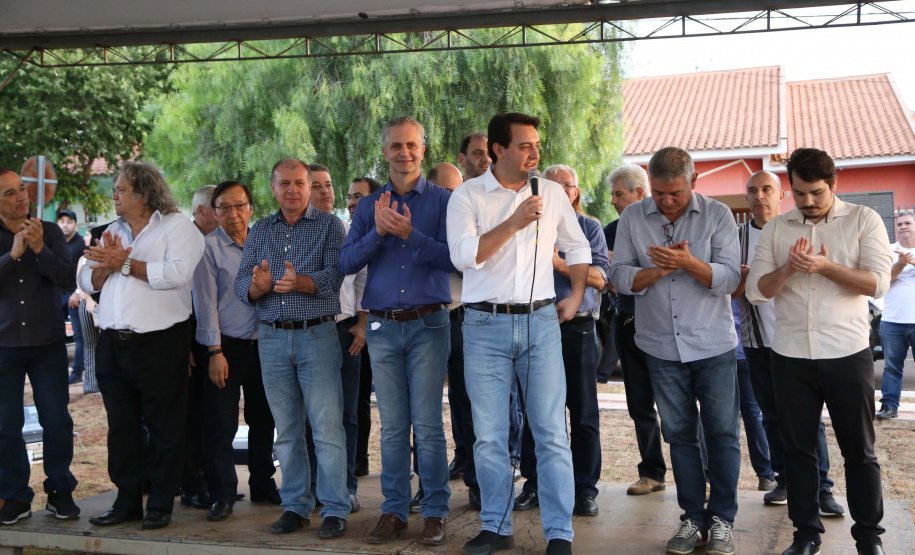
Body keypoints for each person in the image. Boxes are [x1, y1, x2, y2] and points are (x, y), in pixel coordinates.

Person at [447, 112, 591, 555]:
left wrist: (578, 292)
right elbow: (465, 257)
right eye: (525, 145)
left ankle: (559, 534)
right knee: (489, 434)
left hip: (542, 321)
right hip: (484, 324)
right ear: (498, 150)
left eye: (536, 145)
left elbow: (578, 245)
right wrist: (514, 222)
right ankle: (496, 526)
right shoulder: (468, 196)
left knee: (550, 431)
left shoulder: (550, 192)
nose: (535, 153)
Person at [746, 148, 892, 555]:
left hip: (847, 353)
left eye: (816, 193)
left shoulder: (864, 220)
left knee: (859, 451)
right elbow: (757, 291)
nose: (807, 202)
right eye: (799, 194)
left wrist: (826, 267)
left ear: (834, 184)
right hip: (791, 356)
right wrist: (790, 268)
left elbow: (877, 283)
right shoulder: (777, 229)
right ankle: (806, 535)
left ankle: (868, 539)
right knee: (797, 450)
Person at [609, 147, 741, 555]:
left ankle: (721, 518)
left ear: (694, 183)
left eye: (676, 194)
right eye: (660, 193)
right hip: (660, 347)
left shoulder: (718, 215)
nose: (666, 202)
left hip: (713, 344)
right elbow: (619, 276)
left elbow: (730, 278)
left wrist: (688, 263)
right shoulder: (633, 217)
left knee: (721, 433)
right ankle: (691, 518)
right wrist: (657, 271)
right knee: (680, 435)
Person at [340, 116, 454, 546]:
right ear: (384, 150)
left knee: (426, 425)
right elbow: (346, 262)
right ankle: (392, 511)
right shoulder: (369, 206)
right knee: (391, 427)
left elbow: (455, 260)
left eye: (412, 145)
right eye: (396, 146)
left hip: (428, 323)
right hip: (383, 327)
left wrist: (410, 234)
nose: (404, 153)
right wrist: (377, 234)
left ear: (423, 149)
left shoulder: (444, 201)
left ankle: (435, 512)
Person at [79, 161, 205, 530]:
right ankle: (127, 501)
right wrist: (105, 266)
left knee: (165, 427)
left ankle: (161, 505)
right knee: (121, 428)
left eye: (120, 190)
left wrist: (125, 262)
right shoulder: (108, 231)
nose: (113, 195)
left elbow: (176, 274)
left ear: (144, 194)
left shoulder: (179, 228)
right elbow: (85, 280)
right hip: (113, 345)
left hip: (161, 344)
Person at [234, 158, 351, 538]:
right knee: (286, 430)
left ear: (311, 186)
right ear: (273, 188)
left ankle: (334, 508)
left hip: (316, 335)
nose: (293, 190)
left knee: (326, 428)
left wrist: (296, 281)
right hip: (270, 338)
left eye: (300, 183)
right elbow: (241, 286)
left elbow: (335, 276)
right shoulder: (260, 230)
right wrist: (258, 288)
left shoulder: (330, 225)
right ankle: (296, 506)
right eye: (284, 183)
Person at [732, 171, 841, 513]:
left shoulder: (800, 231)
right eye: (752, 190)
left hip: (799, 340)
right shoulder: (735, 238)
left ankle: (821, 488)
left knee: (808, 418)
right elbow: (728, 292)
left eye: (767, 189)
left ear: (782, 196)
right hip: (757, 342)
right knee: (770, 416)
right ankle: (786, 479)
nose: (759, 196)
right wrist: (743, 279)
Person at [515, 163, 609, 518]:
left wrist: (558, 263)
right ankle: (535, 483)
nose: (560, 192)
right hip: (532, 327)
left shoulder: (589, 227)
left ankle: (584, 489)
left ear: (576, 191)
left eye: (567, 186)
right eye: (550, 186)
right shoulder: (526, 225)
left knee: (583, 411)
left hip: (577, 328)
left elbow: (601, 278)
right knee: (534, 409)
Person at [193, 180, 279, 522]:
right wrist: (214, 352)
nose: (233, 214)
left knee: (264, 420)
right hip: (225, 347)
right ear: (214, 212)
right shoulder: (208, 248)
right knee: (221, 424)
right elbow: (205, 304)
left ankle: (263, 484)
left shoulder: (266, 241)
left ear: (251, 208)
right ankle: (223, 494)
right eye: (224, 208)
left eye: (239, 206)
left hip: (267, 344)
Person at [0, 167, 80, 525]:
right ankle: (15, 496)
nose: (22, 197)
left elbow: (66, 278)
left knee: (57, 419)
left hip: (47, 342)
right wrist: (13, 255)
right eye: (10, 193)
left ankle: (60, 490)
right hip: (3, 345)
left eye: (22, 189)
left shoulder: (48, 231)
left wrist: (38, 249)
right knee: (5, 425)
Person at [304, 163, 368, 512]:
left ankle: (345, 486)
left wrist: (361, 323)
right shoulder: (293, 235)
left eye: (329, 185)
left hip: (345, 332)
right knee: (312, 415)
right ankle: (314, 486)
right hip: (308, 332)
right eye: (317, 186)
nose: (326, 191)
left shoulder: (348, 230)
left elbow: (362, 282)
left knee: (346, 414)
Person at [604, 164, 667, 496]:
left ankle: (701, 474)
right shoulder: (610, 230)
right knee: (639, 405)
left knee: (676, 405)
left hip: (663, 327)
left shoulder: (662, 226)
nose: (613, 201)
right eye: (613, 194)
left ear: (639, 194)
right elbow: (610, 277)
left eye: (619, 194)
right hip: (627, 325)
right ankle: (652, 471)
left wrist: (629, 273)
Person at [427, 159, 482, 511]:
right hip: (428, 320)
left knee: (469, 403)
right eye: (447, 189)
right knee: (426, 408)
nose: (453, 195)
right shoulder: (421, 220)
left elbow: (474, 262)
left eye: (457, 188)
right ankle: (430, 487)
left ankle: (477, 484)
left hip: (464, 318)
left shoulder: (471, 220)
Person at [181, 184, 218, 510]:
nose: (225, 216)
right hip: (187, 341)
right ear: (202, 211)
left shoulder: (215, 243)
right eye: (218, 208)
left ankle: (213, 483)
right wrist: (184, 346)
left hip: (212, 339)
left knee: (212, 416)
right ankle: (193, 485)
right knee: (191, 418)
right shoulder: (186, 241)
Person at [347, 176, 382, 478]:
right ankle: (356, 459)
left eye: (358, 196)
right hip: (360, 325)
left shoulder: (388, 232)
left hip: (385, 325)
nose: (351, 202)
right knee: (354, 396)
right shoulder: (349, 234)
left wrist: (364, 321)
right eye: (349, 196)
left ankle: (360, 457)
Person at [876, 210, 915, 420]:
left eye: (908, 222)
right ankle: (889, 407)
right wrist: (900, 264)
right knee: (891, 367)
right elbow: (881, 282)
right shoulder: (888, 251)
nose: (903, 226)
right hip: (892, 321)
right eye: (899, 224)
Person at [56, 208, 87, 385]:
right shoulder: (55, 243)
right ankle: (59, 371)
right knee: (55, 335)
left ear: (75, 225)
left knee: (79, 336)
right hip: (56, 294)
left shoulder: (81, 244)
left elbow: (86, 269)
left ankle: (77, 373)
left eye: (69, 221)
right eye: (62, 221)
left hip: (75, 295)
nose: (65, 225)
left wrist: (77, 292)